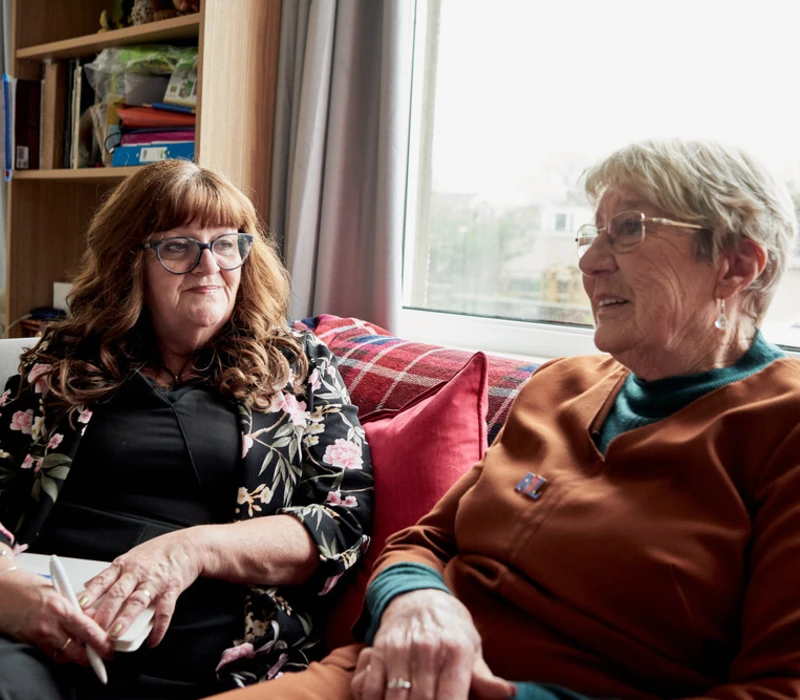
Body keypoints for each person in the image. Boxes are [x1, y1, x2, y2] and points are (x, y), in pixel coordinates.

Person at [209, 138, 800, 700]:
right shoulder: (561, 386)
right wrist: (416, 601)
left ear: (735, 265)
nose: (590, 263)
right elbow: (425, 541)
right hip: (382, 678)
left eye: (628, 231)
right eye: (593, 234)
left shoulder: (781, 426)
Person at [0, 159, 373, 699]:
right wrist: (10, 594)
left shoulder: (297, 365)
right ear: (131, 262)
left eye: (226, 244)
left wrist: (188, 550)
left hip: (210, 654)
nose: (208, 266)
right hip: (44, 635)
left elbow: (342, 523)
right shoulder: (63, 359)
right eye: (177, 246)